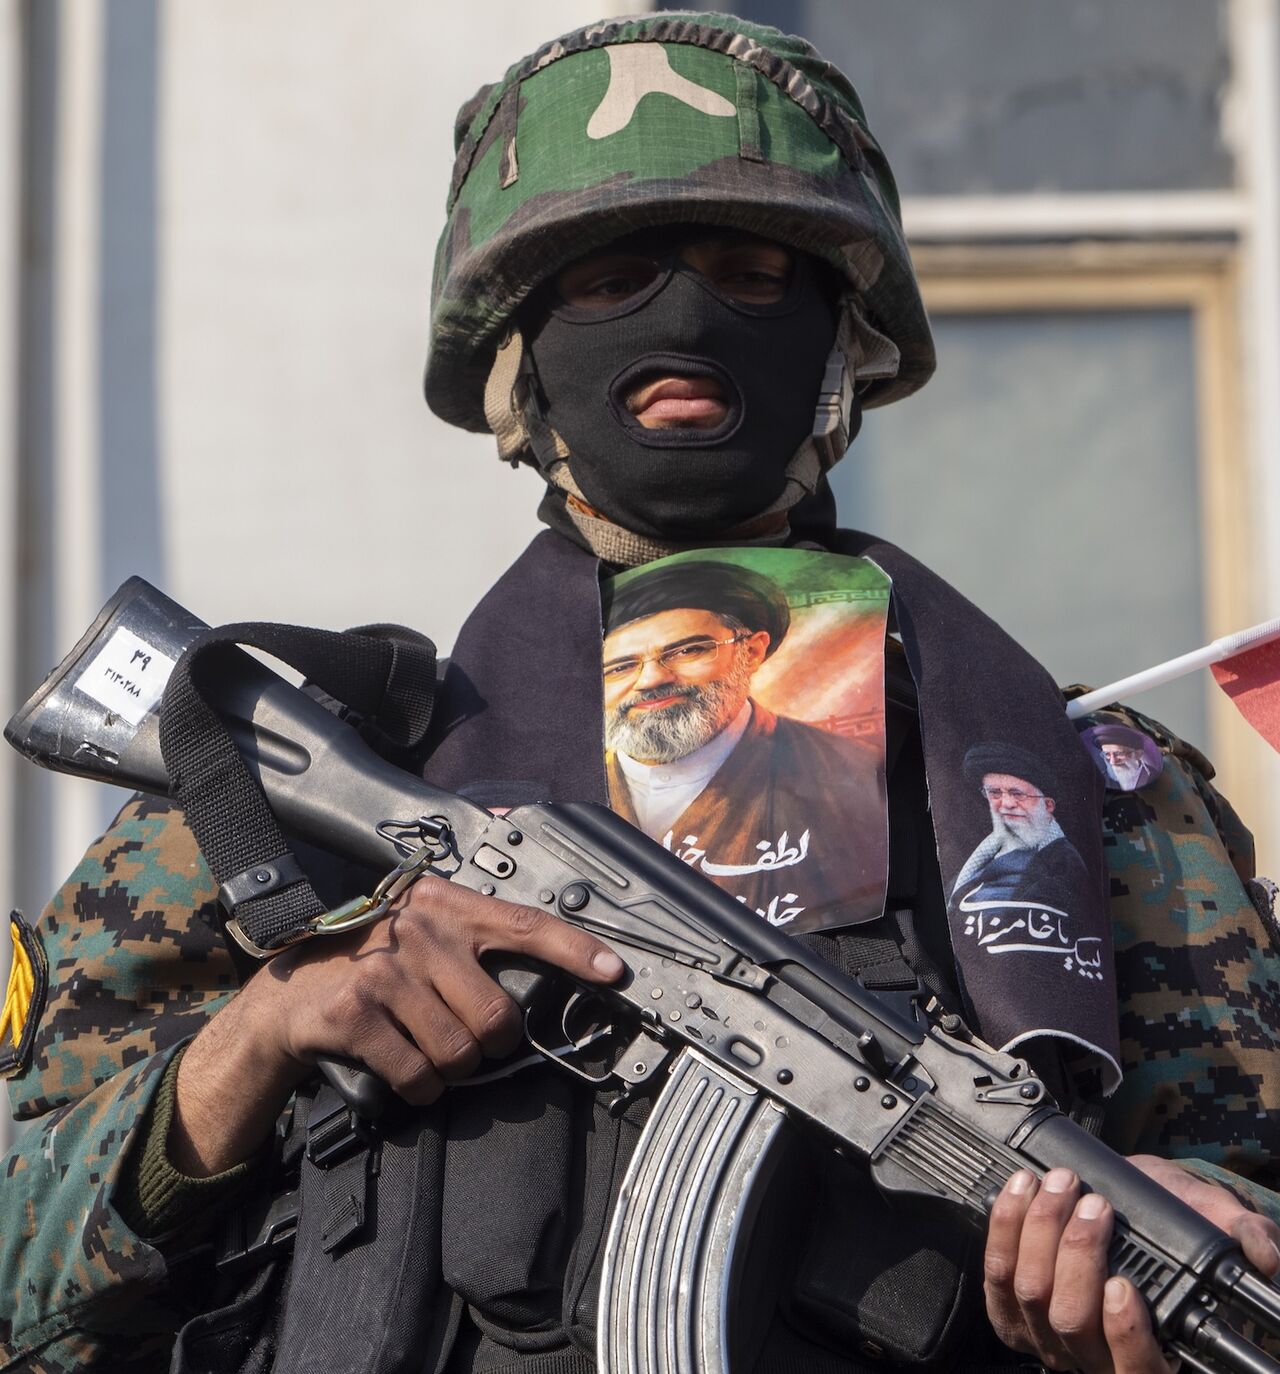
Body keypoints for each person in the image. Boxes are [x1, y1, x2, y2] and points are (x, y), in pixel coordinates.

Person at [5, 14, 1280, 1374]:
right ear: (515, 366)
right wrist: (257, 1039)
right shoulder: (273, 811)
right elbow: (23, 1277)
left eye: (753, 276)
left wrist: (1210, 1243)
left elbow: (1245, 1182)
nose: (686, 322)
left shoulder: (1075, 800)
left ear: (846, 343)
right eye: (611, 283)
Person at [603, 559, 886, 930]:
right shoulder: (564, 780)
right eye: (620, 667)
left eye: (688, 651)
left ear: (751, 651)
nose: (652, 679)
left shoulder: (856, 775)